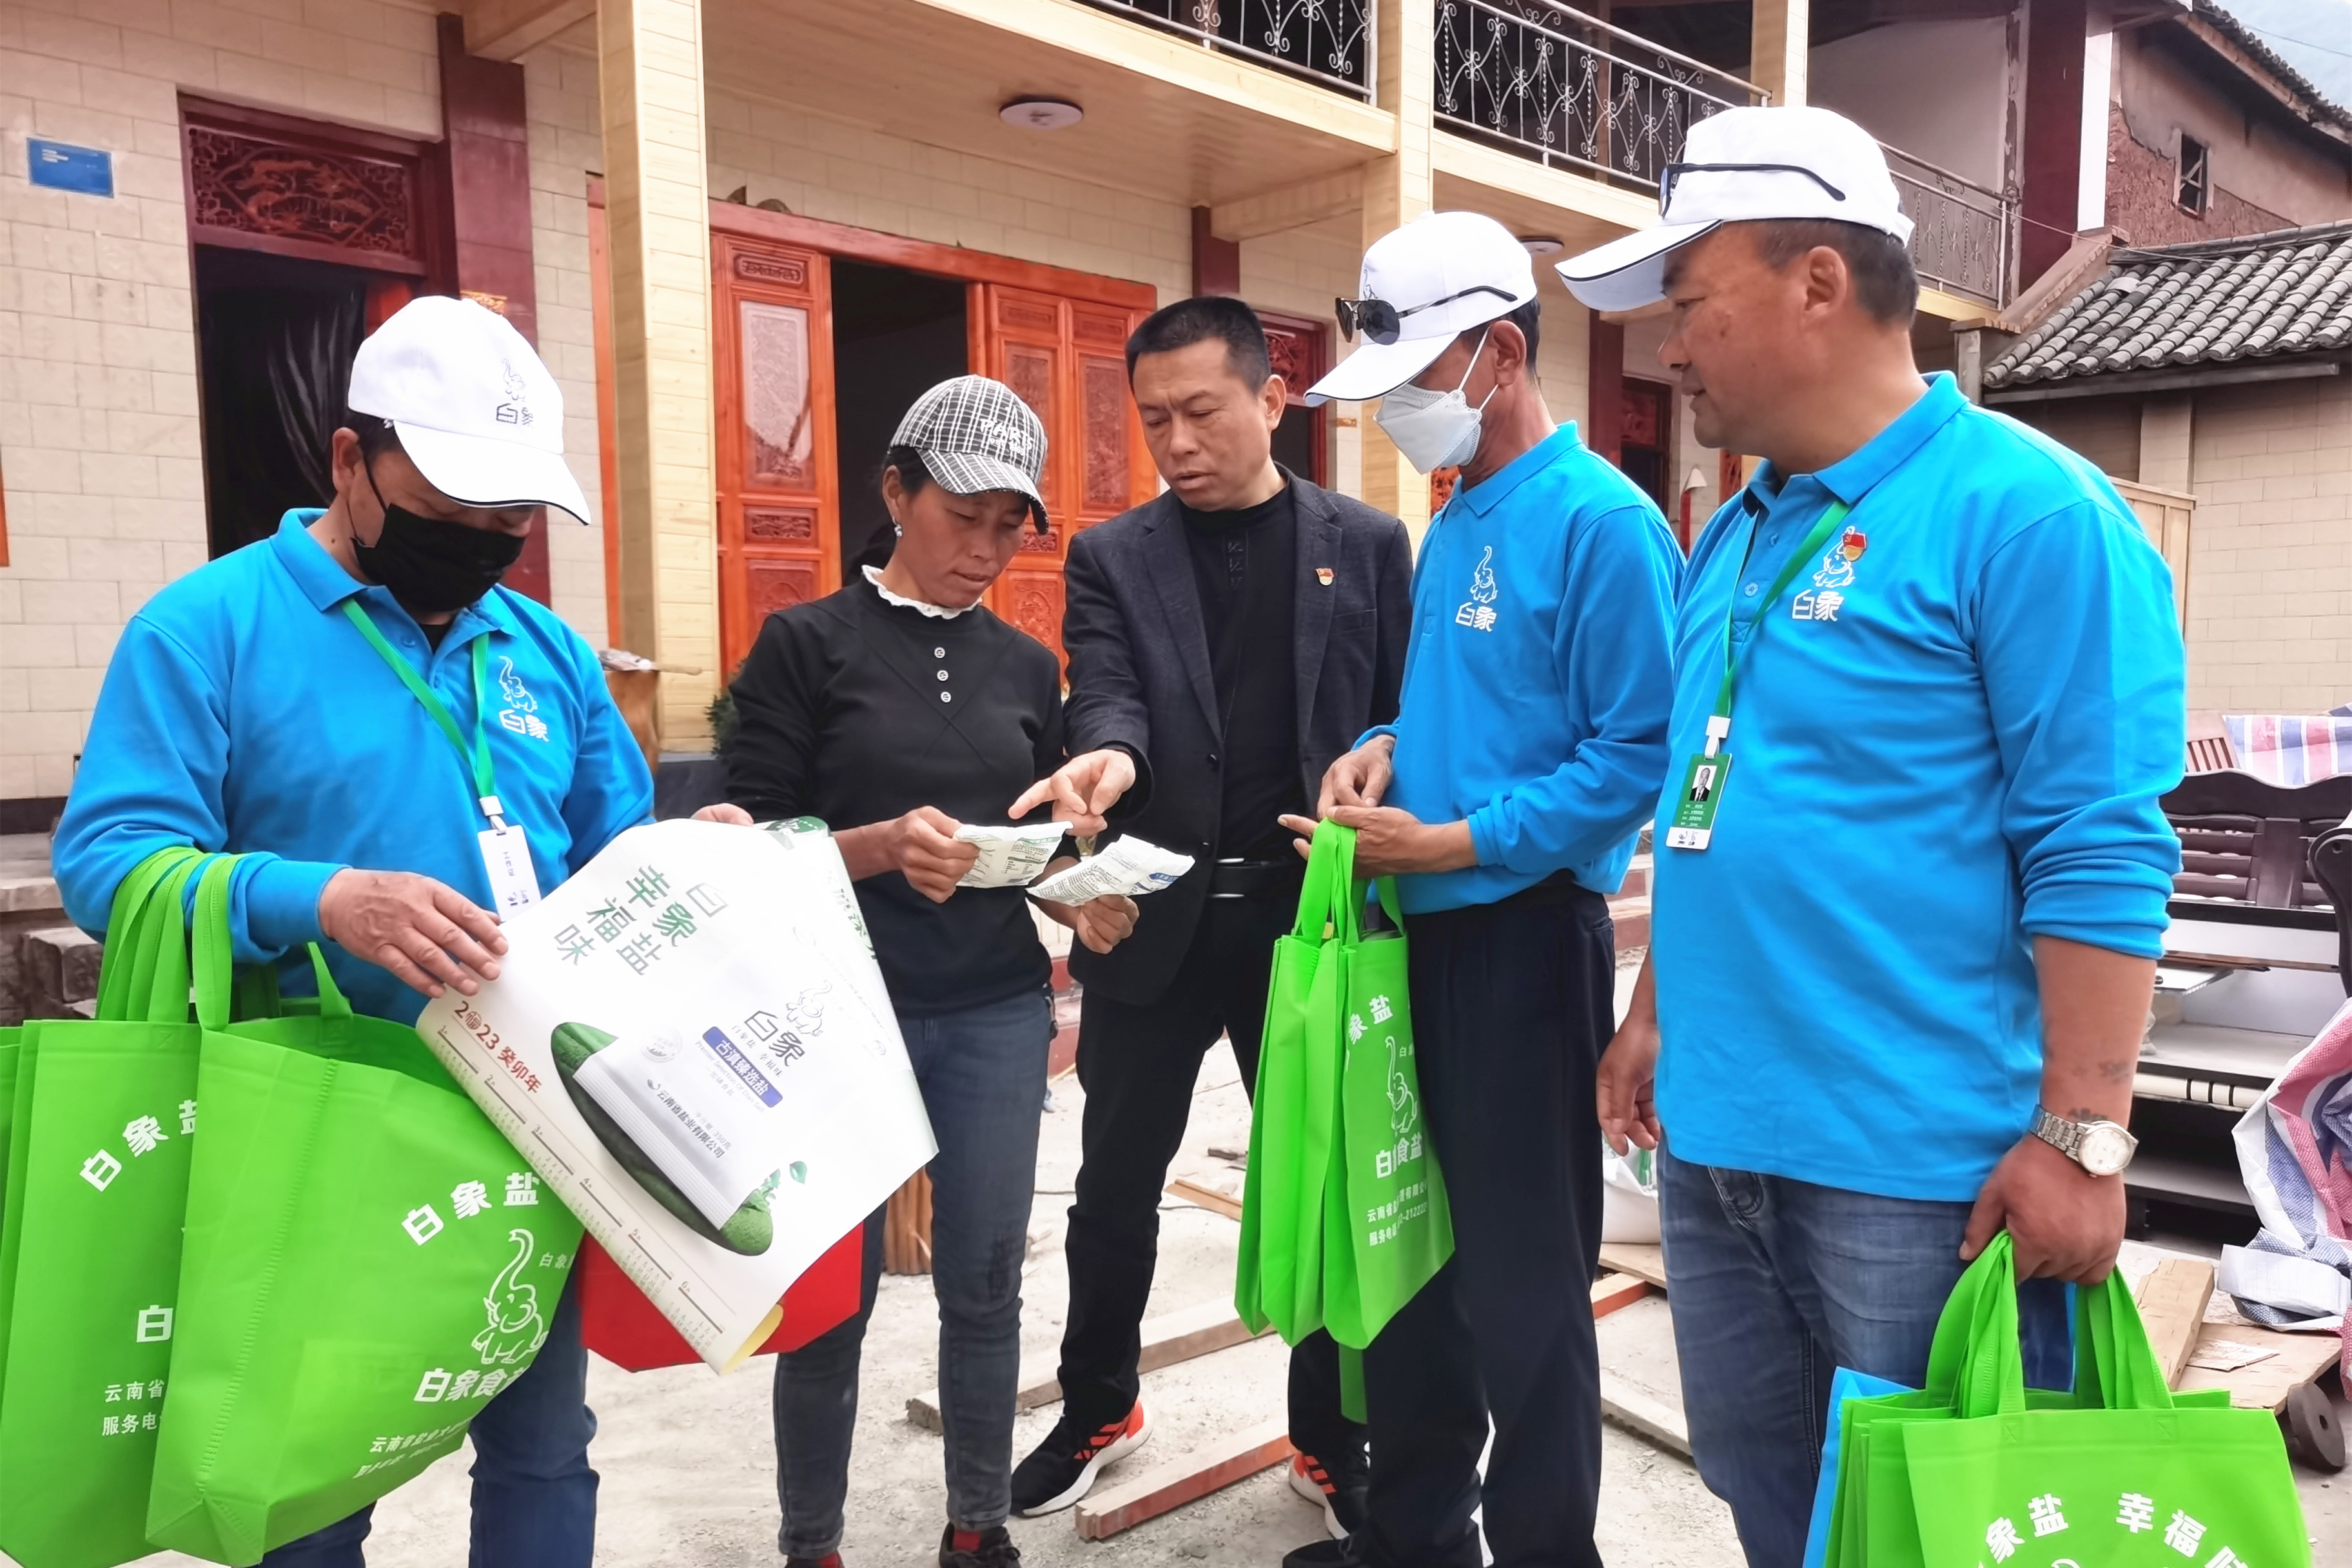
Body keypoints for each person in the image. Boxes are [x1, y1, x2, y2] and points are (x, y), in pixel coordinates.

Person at [1560, 106, 2184, 1567]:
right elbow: (1710, 788)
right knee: (1772, 1503)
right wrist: (1655, 1010)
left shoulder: (2027, 516)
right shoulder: (1735, 533)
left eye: (1690, 304)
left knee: (1935, 1533)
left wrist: (2082, 1136)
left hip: (1918, 1176)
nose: (1670, 348)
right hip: (1719, 1142)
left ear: (1820, 282)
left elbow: (2097, 840)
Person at [52, 294, 648, 1566]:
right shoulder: (206, 630)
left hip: (522, 1118)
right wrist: (323, 899)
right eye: (447, 511)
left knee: (543, 1447)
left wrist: (700, 864)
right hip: (314, 1130)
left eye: (508, 524)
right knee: (310, 1481)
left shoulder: (543, 651)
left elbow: (618, 849)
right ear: (348, 459)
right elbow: (109, 861)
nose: (478, 547)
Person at [1289, 211, 1683, 1568]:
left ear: (1500, 355)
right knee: (1410, 1253)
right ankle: (1413, 1537)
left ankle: (1545, 1551)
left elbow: (1636, 756)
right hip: (1419, 937)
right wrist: (1381, 750)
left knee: (1524, 1286)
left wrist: (1450, 844)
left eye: (1413, 380)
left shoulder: (1605, 527)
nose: (1396, 413)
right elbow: (1465, 711)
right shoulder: (1458, 518)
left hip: (1521, 943)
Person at [698, 376, 1137, 1568]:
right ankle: (812, 1544)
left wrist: (1082, 894)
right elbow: (747, 842)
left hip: (994, 1010)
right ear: (896, 493)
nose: (984, 550)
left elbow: (1037, 844)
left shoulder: (1026, 667)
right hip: (837, 1016)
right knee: (829, 1302)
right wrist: (878, 848)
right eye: (962, 517)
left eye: (1008, 527)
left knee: (984, 1285)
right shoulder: (805, 645)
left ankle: (976, 1528)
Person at [1002, 297, 1413, 1536]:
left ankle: (1330, 1437)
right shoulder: (1114, 555)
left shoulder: (1368, 543)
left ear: (1272, 399)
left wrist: (1386, 766)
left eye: (1201, 412)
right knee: (1114, 1185)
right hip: (1153, 916)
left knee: (1321, 1185)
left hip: (1309, 925)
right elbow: (1107, 692)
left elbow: (1400, 709)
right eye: (1154, 420)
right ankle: (1099, 1405)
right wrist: (1110, 760)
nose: (1176, 442)